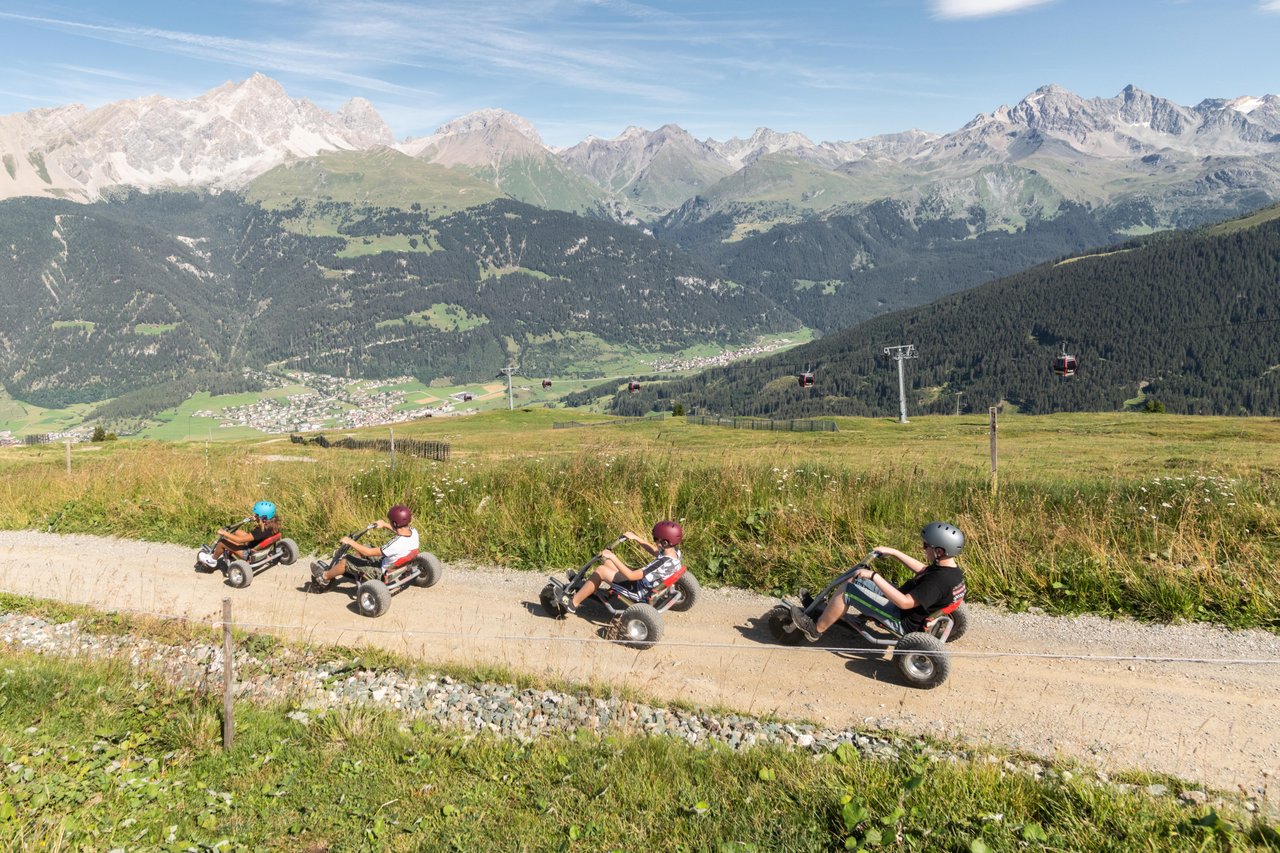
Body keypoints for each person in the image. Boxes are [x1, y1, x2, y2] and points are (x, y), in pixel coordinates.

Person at [789, 522, 967, 641]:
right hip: (905, 608)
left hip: (901, 619)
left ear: (939, 551)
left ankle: (815, 630)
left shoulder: (939, 580)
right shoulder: (950, 571)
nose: (923, 548)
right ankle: (828, 610)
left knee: (849, 589)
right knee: (857, 576)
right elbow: (923, 570)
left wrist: (875, 577)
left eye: (926, 546)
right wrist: (894, 552)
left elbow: (905, 603)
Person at [562, 521, 683, 614]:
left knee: (601, 570)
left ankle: (573, 604)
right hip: (647, 585)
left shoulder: (660, 564)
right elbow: (655, 550)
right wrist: (635, 538)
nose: (655, 540)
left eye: (656, 538)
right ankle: (590, 586)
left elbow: (631, 576)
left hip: (638, 591)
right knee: (607, 563)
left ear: (665, 543)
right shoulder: (674, 554)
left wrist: (613, 556)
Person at [311, 504, 419, 589]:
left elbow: (369, 553)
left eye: (390, 521)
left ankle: (324, 577)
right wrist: (385, 524)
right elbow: (400, 532)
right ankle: (353, 568)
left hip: (381, 574)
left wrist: (350, 542)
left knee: (345, 560)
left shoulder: (395, 544)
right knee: (365, 547)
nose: (389, 523)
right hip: (396, 567)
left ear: (395, 524)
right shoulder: (413, 532)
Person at [197, 501, 281, 570]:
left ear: (263, 517)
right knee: (238, 532)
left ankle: (212, 560)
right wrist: (256, 519)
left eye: (257, 515)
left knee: (222, 542)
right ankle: (230, 549)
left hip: (248, 553)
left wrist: (225, 533)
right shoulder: (273, 525)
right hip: (259, 547)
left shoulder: (260, 531)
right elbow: (253, 534)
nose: (255, 516)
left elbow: (239, 540)